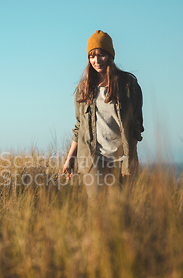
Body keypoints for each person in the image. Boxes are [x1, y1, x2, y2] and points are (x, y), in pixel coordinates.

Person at [62, 30, 144, 203]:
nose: (96, 60)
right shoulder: (83, 90)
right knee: (96, 209)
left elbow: (136, 127)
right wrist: (71, 158)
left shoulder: (129, 86)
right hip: (94, 158)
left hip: (122, 158)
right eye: (92, 56)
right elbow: (79, 127)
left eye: (101, 55)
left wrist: (128, 159)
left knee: (120, 210)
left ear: (110, 56)